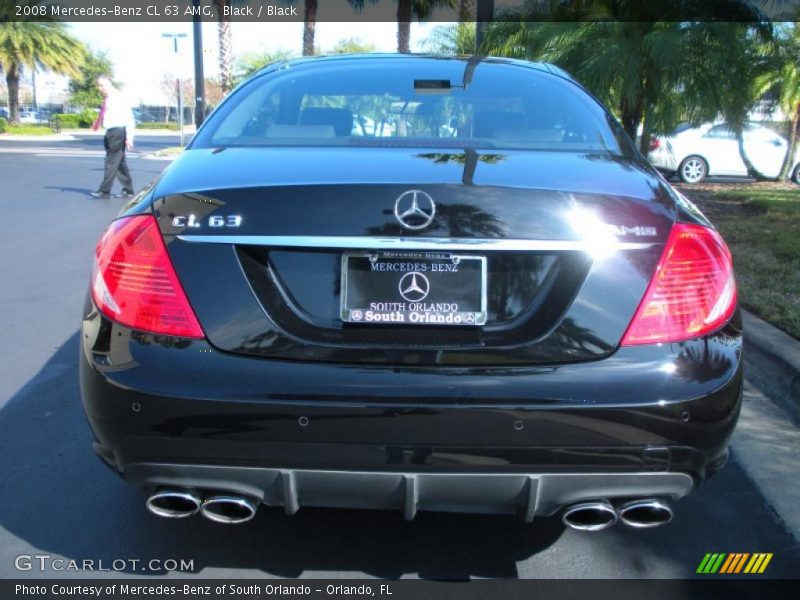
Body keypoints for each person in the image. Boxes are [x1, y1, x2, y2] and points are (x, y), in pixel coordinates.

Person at [90, 77, 135, 199]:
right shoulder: (108, 99)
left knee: (110, 161)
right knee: (119, 162)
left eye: (101, 85)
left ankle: (104, 190)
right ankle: (128, 189)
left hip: (117, 132)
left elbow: (129, 118)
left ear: (107, 84)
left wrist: (129, 137)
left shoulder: (118, 98)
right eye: (98, 86)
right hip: (111, 132)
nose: (99, 88)